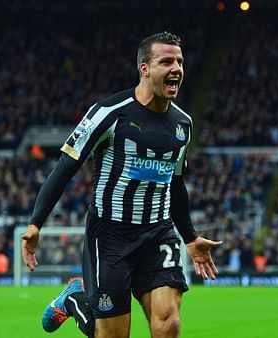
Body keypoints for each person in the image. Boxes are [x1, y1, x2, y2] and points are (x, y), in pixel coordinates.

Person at [22, 31, 222, 338]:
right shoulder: (108, 114)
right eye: (166, 61)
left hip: (158, 233)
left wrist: (191, 238)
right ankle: (75, 298)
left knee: (168, 324)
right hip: (110, 235)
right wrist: (36, 223)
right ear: (145, 69)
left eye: (180, 62)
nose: (177, 69)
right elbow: (65, 168)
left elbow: (176, 184)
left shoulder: (183, 124)